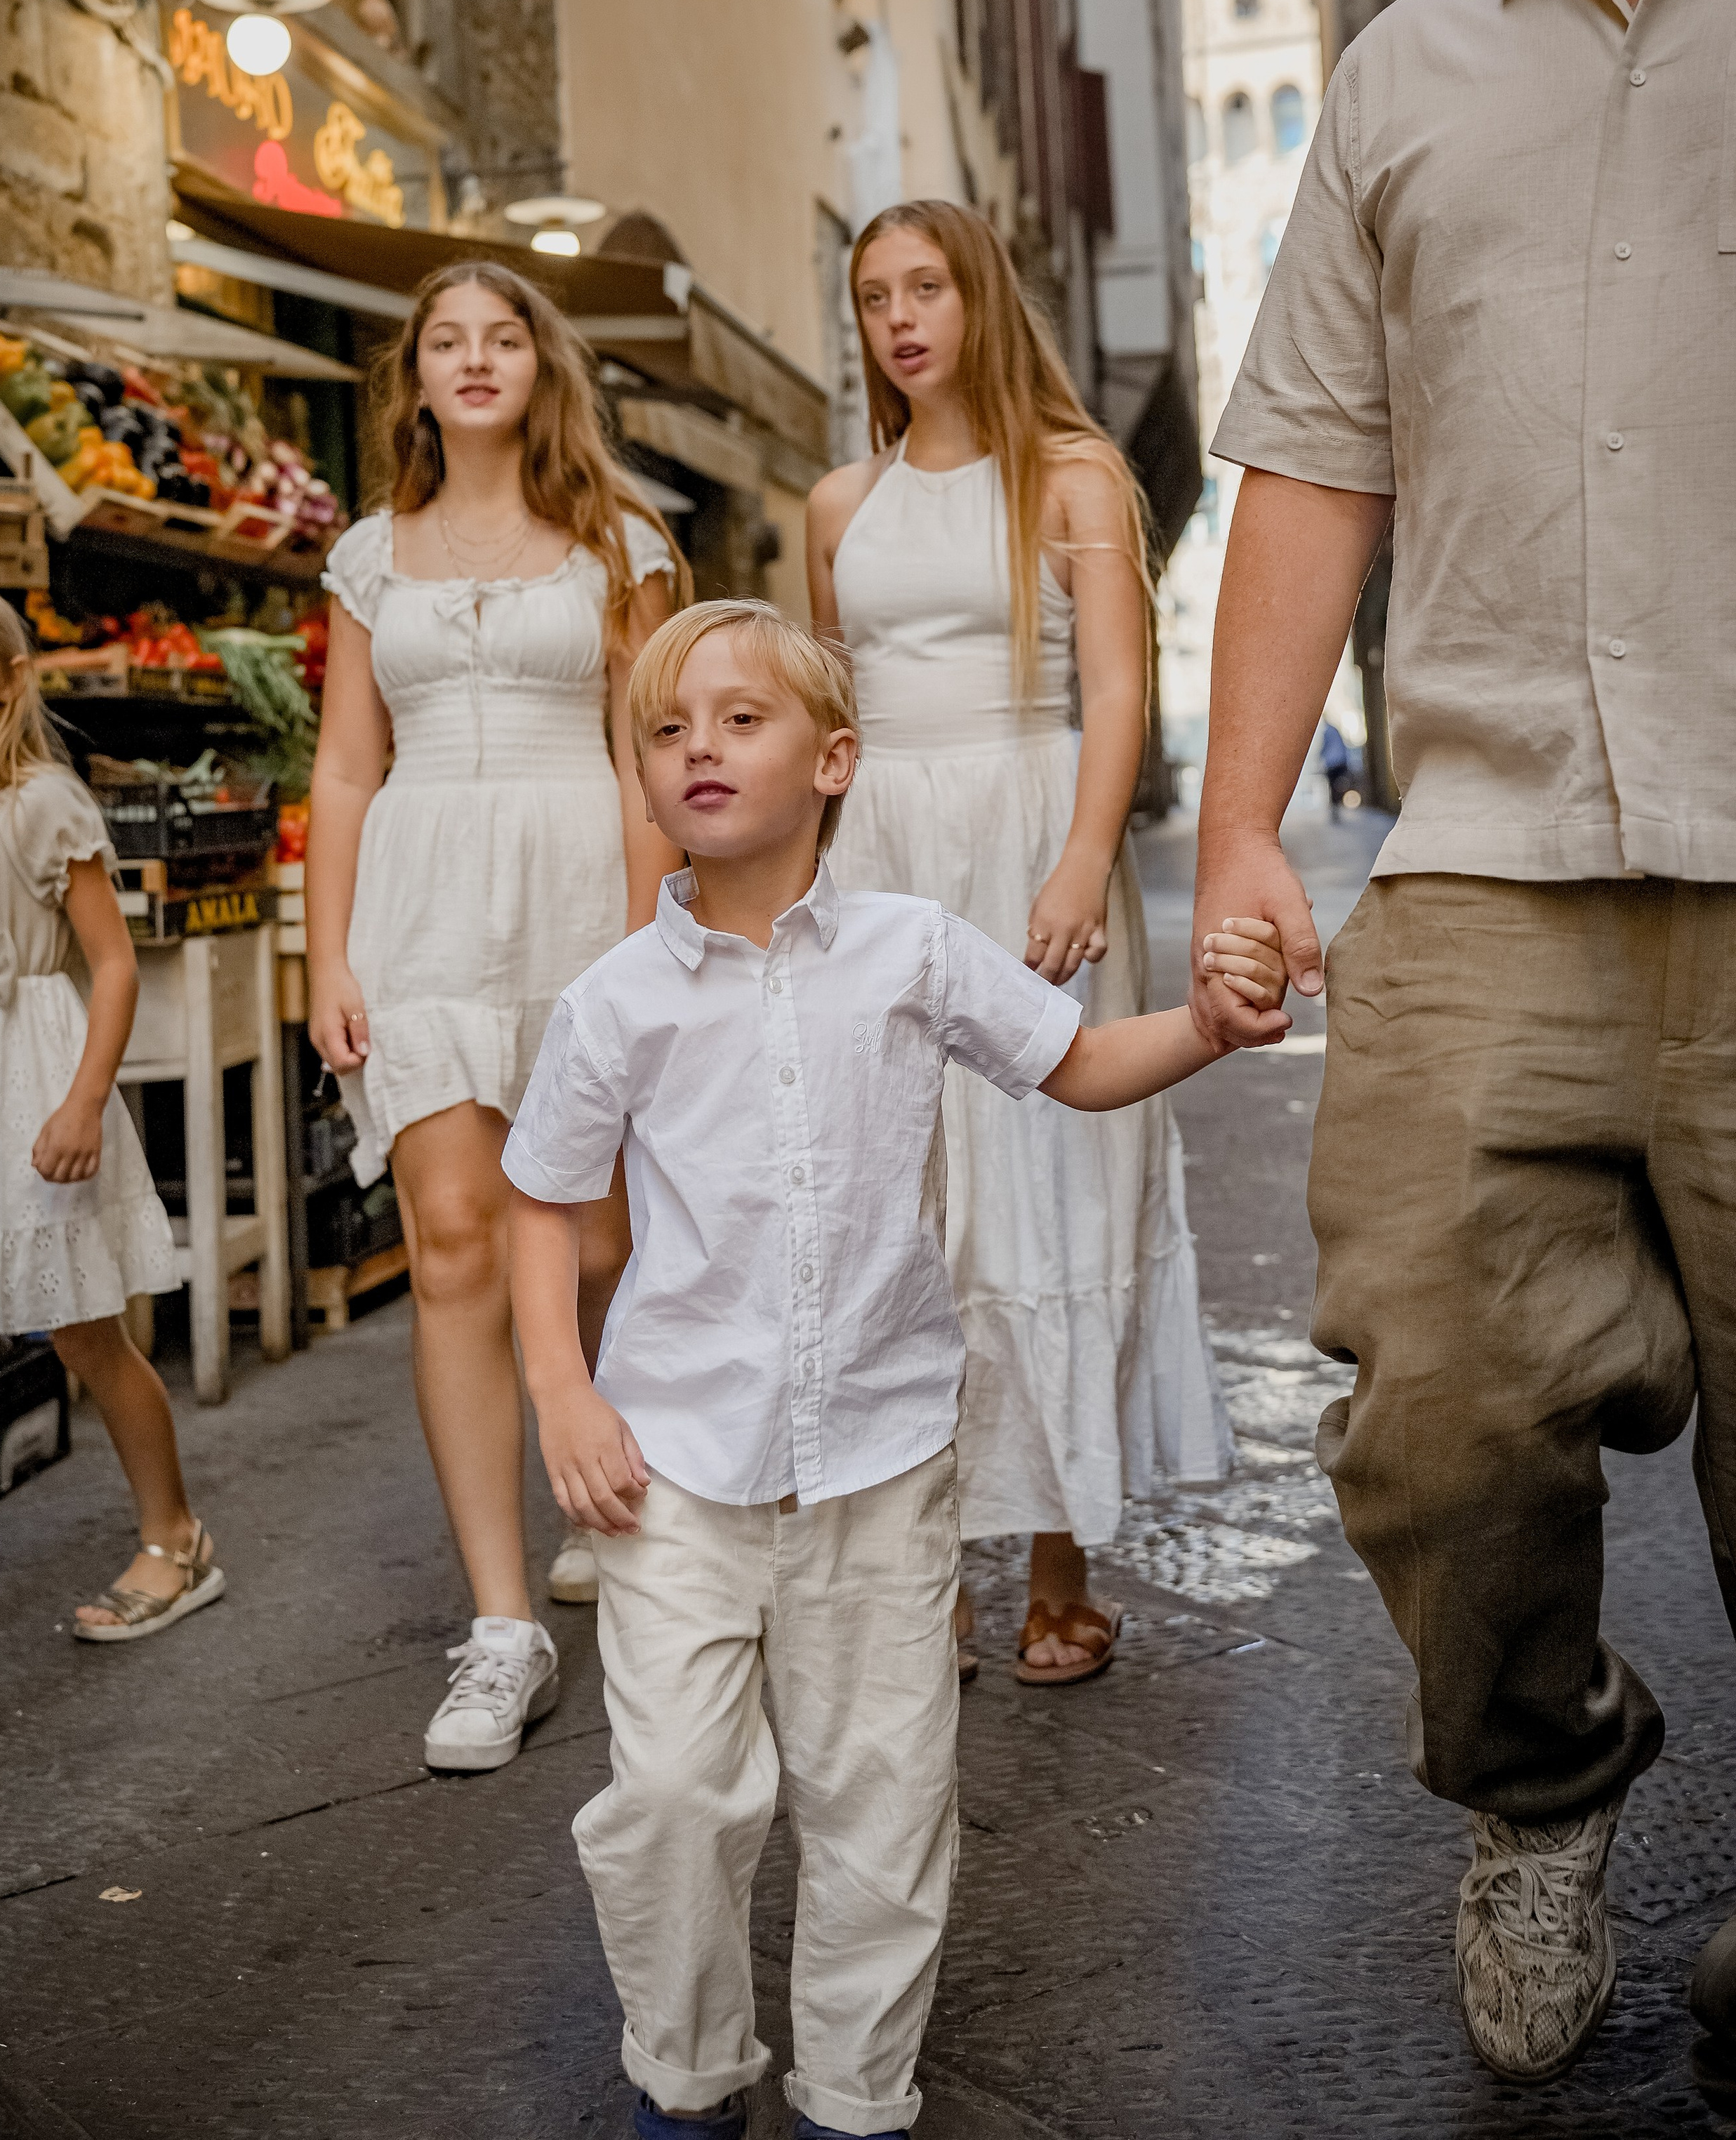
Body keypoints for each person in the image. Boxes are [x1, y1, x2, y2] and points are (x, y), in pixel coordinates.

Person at [1194, 0, 1736, 2099]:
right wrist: (1229, 842)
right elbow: (1313, 462)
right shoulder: (1410, 74)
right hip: (1487, 860)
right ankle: (1537, 1803)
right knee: (1418, 1386)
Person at [502, 598, 1287, 2140]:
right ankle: (686, 2077)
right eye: (666, 730)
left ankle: (857, 2099)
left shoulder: (909, 951)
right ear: (641, 781)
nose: (698, 749)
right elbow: (541, 1196)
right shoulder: (615, 1000)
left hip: (877, 1457)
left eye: (739, 718)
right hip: (670, 1467)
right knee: (668, 1800)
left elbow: (1070, 1064)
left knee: (879, 1804)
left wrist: (1199, 1026)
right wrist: (561, 1390)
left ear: (835, 759)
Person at [806, 199, 1229, 1686]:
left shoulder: (1070, 478)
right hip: (883, 866)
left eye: (927, 288)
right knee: (907, 1200)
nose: (902, 319)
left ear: (981, 300)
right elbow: (829, 723)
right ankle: (928, 1556)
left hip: (1031, 833)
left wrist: (1078, 859)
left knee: (1057, 1178)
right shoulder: (835, 508)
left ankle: (1057, 1557)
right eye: (873, 298)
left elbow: (1115, 693)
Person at [307, 260, 683, 1773]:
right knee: (453, 1242)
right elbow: (343, 767)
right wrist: (329, 957)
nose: (473, 360)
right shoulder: (363, 558)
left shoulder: (617, 542)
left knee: (599, 1237)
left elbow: (649, 746)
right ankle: (502, 1624)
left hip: (579, 901)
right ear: (413, 378)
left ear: (541, 366)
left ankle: (606, 1473)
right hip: (418, 913)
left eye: (500, 337)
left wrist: (649, 939)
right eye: (443, 342)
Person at [0, 583, 220, 1640]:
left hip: (35, 1076)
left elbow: (112, 969)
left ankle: (175, 1536)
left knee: (85, 1333)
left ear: (12, 680)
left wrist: (85, 1102)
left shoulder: (47, 805)